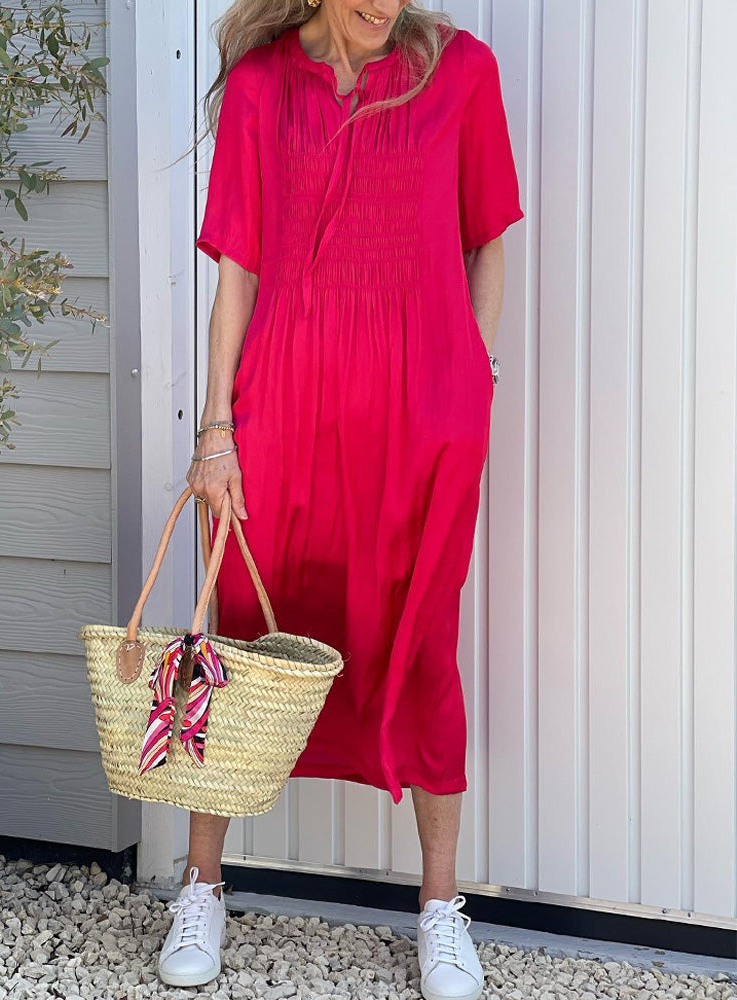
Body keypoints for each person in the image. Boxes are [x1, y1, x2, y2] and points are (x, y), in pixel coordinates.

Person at [158, 1, 524, 997]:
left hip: (419, 417)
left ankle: (440, 905)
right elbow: (239, 268)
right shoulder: (261, 87)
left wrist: (471, 380)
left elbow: (486, 239)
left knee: (423, 638)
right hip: (281, 403)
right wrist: (216, 429)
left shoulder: (463, 73)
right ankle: (201, 884)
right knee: (236, 634)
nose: (384, 5)